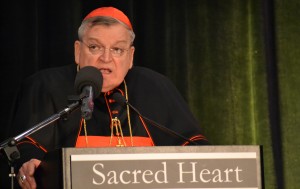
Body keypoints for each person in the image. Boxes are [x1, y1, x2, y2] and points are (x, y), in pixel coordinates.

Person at [8, 6, 208, 188]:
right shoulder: (46, 85)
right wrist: (29, 166)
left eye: (117, 49)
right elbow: (25, 147)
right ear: (78, 51)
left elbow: (196, 149)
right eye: (95, 47)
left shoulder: (156, 87)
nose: (105, 58)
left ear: (130, 57)